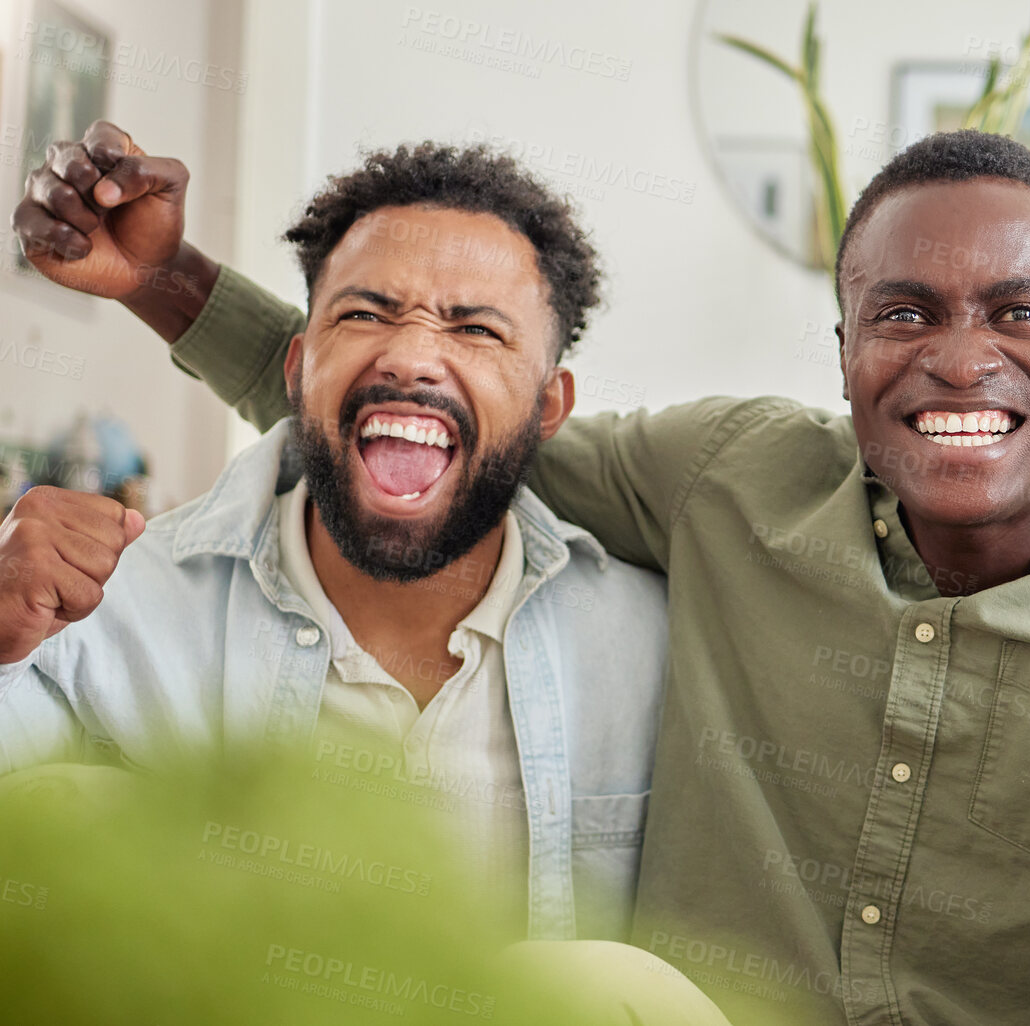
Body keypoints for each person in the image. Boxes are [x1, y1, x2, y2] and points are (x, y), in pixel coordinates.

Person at [15, 123, 1030, 1026]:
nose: (961, 355)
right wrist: (170, 285)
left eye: (1015, 312)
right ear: (845, 347)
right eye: (906, 312)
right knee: (577, 984)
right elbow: (449, 419)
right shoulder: (736, 478)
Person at [0, 142, 672, 946]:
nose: (413, 356)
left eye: (477, 329)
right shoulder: (112, 610)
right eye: (364, 314)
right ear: (297, 365)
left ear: (548, 407)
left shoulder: (653, 648)